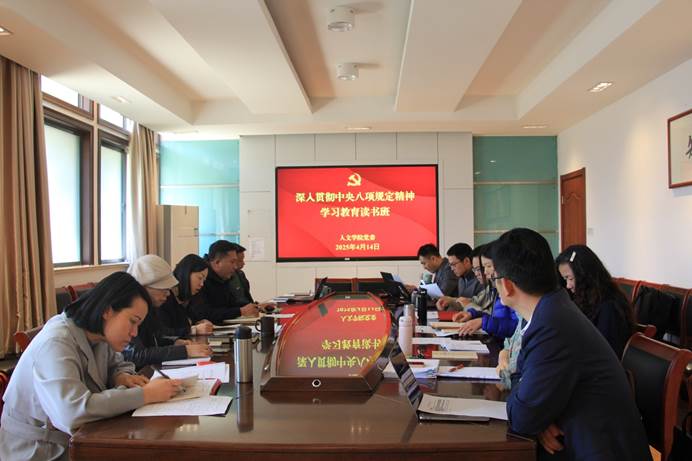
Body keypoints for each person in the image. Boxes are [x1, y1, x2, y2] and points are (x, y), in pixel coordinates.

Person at [494, 228, 651, 460]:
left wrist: (535, 415)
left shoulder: (551, 325)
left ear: (506, 285)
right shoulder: (553, 309)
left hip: (595, 450)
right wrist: (537, 415)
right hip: (583, 438)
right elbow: (524, 383)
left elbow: (522, 417)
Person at [0, 272, 181, 461]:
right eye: (133, 321)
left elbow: (120, 364)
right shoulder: (56, 342)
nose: (135, 333)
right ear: (107, 310)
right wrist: (145, 394)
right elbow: (72, 412)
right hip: (41, 450)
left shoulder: (99, 334)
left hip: (78, 439)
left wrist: (121, 376)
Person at [124, 255, 212, 369]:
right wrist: (185, 351)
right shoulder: (126, 311)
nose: (168, 294)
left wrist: (175, 342)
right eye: (164, 289)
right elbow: (137, 355)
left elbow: (157, 335)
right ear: (144, 287)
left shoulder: (151, 308)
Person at [555, 245, 635, 358]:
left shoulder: (609, 306)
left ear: (585, 275)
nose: (568, 285)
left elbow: (603, 352)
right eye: (565, 279)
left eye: (570, 278)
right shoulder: (585, 299)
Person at [454, 243, 518, 340]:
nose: (484, 272)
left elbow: (516, 328)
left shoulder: (509, 288)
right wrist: (473, 314)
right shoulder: (494, 288)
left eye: (487, 266)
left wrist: (483, 321)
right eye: (475, 269)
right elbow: (495, 317)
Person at [189, 240, 260, 324]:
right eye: (232, 262)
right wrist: (240, 311)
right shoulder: (200, 280)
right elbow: (203, 313)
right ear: (217, 262)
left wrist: (254, 307)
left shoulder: (224, 277)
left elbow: (230, 306)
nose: (235, 267)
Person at [158, 254, 214, 337]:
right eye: (200, 278)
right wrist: (194, 330)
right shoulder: (164, 297)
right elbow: (163, 333)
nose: (202, 284)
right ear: (186, 273)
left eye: (204, 280)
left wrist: (199, 323)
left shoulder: (190, 298)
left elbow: (189, 323)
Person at [439, 244, 490, 311]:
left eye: (453, 264)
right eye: (450, 265)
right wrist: (450, 302)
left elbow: (479, 305)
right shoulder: (461, 279)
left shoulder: (482, 279)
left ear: (466, 261)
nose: (452, 269)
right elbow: (466, 302)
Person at [231, 243, 275, 312]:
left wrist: (258, 306)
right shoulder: (224, 279)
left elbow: (247, 301)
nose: (243, 263)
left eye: (243, 260)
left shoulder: (240, 274)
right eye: (240, 261)